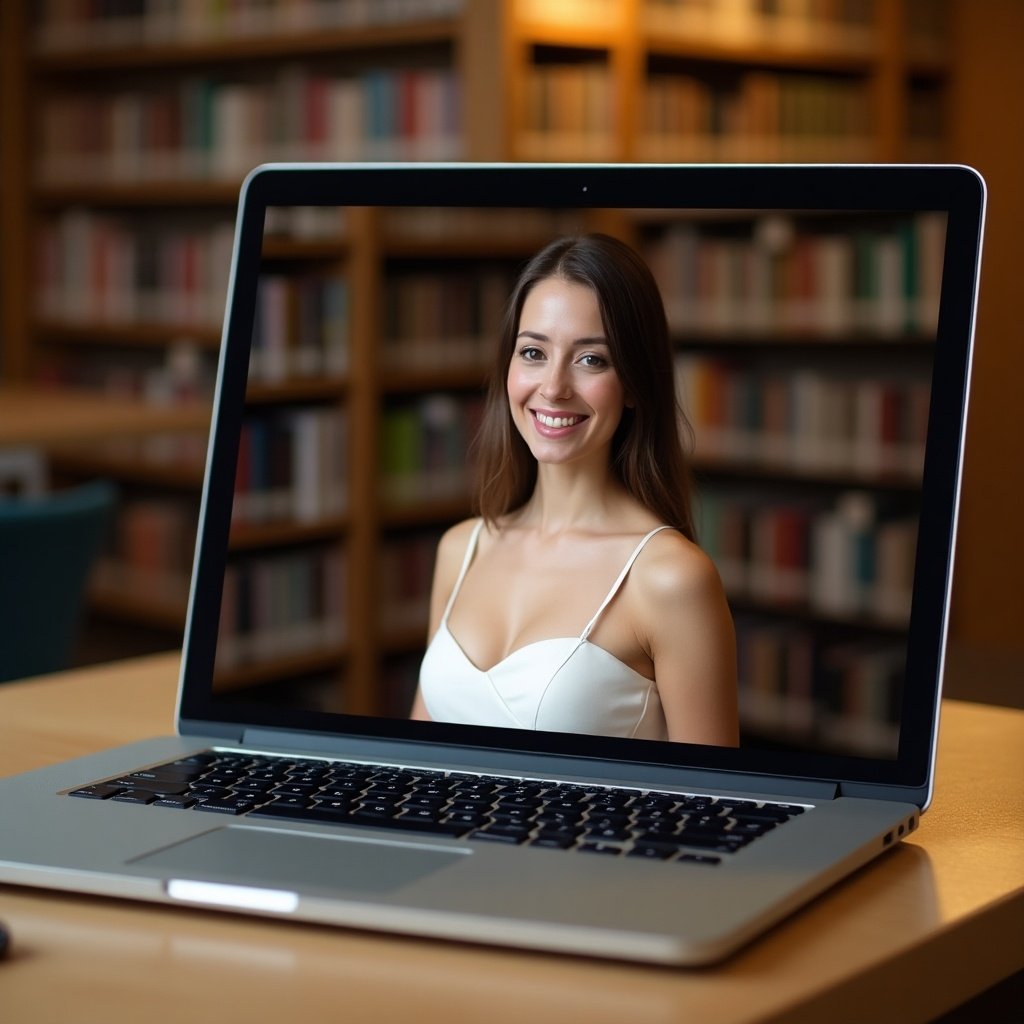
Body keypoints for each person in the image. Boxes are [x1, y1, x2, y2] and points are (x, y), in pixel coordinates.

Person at [410, 233, 738, 746]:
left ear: (634, 383)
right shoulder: (461, 548)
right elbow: (419, 756)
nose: (554, 387)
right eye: (534, 352)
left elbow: (716, 802)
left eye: (591, 360)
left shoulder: (672, 578)